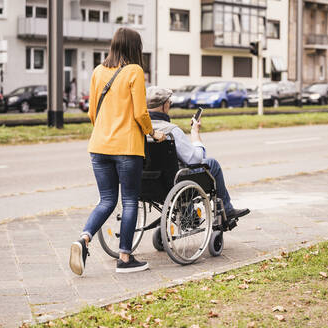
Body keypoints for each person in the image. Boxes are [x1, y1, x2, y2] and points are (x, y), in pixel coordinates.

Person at [69, 28, 165, 275]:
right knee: (130, 200)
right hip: (126, 147)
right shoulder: (135, 71)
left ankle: (83, 239)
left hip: (98, 146)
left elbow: (92, 113)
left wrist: (104, 133)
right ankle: (125, 258)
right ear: (135, 48)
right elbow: (140, 113)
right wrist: (153, 133)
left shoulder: (98, 71)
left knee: (106, 200)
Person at [146, 86, 250, 223]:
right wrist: (195, 133)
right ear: (164, 105)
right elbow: (195, 159)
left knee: (176, 166)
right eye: (170, 103)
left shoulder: (139, 128)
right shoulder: (172, 131)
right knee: (211, 163)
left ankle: (189, 213)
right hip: (174, 183)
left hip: (147, 183)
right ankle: (227, 210)